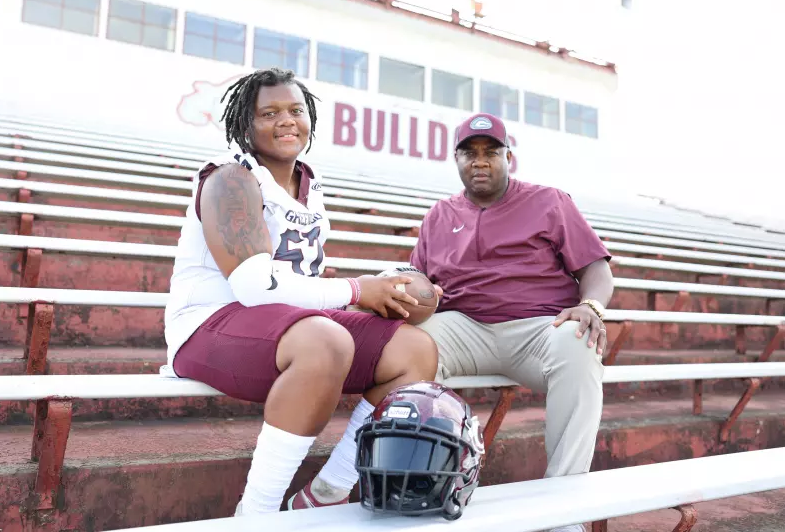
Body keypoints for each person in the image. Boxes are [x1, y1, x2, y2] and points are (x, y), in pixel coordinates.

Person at [161, 67, 438, 517]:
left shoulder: (309, 181)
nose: (286, 120)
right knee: (327, 341)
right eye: (269, 113)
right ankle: (256, 515)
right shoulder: (230, 179)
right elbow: (253, 286)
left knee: (415, 350)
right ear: (244, 124)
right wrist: (356, 290)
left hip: (286, 326)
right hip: (209, 325)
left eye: (295, 110)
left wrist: (392, 290)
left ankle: (329, 489)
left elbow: (300, 277)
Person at [410, 113, 614, 532]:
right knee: (404, 345)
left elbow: (596, 268)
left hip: (538, 329)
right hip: (464, 327)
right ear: (456, 159)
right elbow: (418, 276)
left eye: (491, 152)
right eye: (469, 153)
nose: (480, 161)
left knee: (580, 341)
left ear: (508, 157)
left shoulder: (549, 201)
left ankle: (564, 509)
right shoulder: (440, 214)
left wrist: (591, 306)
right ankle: (416, 483)